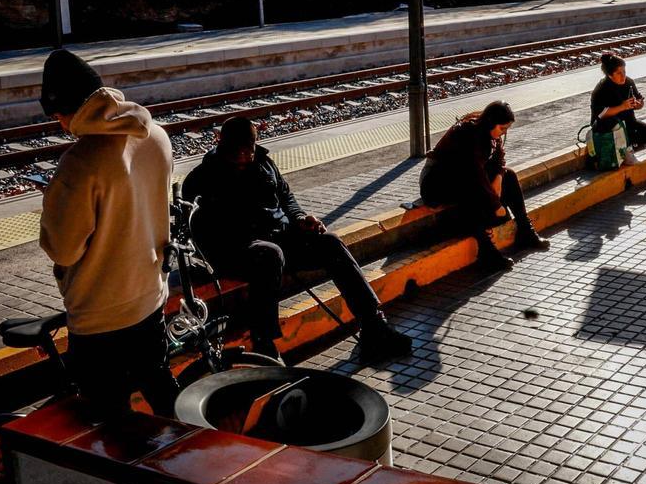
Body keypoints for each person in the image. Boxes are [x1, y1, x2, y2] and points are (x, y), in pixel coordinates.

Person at [183, 117, 412, 364]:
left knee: (330, 243)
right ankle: (264, 344)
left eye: (247, 148)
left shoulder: (264, 163)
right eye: (235, 149)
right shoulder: (201, 178)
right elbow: (193, 228)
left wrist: (301, 219)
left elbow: (287, 198)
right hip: (237, 250)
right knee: (269, 254)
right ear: (220, 143)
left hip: (279, 241)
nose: (241, 155)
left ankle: (373, 325)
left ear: (254, 143)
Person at [37, 50, 179, 417]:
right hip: (150, 297)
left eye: (55, 114)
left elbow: (63, 250)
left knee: (105, 421)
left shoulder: (81, 162)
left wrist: (53, 206)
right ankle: (188, 463)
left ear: (64, 109)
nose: (58, 123)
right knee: (161, 391)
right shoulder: (157, 136)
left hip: (100, 317)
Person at [419, 101, 549, 271]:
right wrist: (496, 205)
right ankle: (486, 251)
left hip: (459, 177)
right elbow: (473, 175)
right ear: (491, 122)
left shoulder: (490, 135)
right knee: (471, 191)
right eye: (502, 128)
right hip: (436, 182)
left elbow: (498, 159)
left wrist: (500, 177)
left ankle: (525, 230)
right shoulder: (468, 133)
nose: (504, 133)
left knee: (509, 176)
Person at [590, 52, 646, 179]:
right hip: (608, 129)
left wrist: (639, 104)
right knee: (616, 124)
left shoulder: (628, 82)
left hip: (628, 123)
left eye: (624, 72)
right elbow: (600, 115)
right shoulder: (602, 89)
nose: (623, 76)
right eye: (618, 73)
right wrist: (622, 106)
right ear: (610, 75)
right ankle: (626, 151)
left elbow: (639, 100)